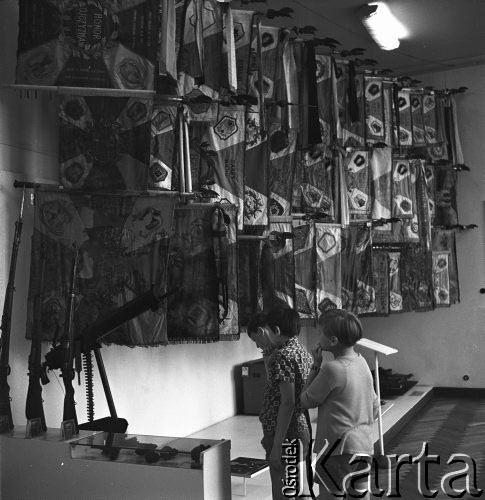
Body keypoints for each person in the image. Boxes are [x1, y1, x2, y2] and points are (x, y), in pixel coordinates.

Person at [300, 309, 379, 500]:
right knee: (360, 495)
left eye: (320, 332)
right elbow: (375, 407)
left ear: (333, 341)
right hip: (364, 446)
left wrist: (314, 366)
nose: (317, 336)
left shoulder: (332, 369)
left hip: (335, 451)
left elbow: (305, 400)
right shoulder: (361, 362)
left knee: (330, 496)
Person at [247, 307, 313, 500]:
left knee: (283, 488)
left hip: (284, 431)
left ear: (274, 330)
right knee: (294, 486)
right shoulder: (299, 349)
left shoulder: (282, 356)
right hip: (299, 428)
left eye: (256, 337)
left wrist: (277, 446)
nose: (258, 345)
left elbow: (288, 403)